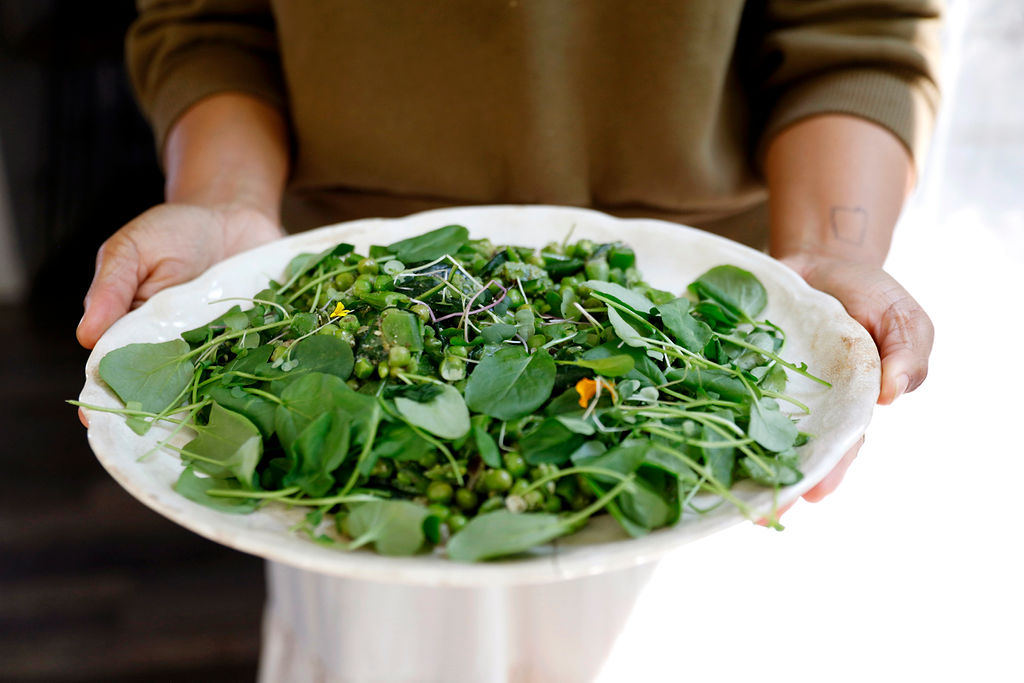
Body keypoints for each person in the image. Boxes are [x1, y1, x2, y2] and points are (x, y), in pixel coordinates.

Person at [76, 2, 939, 680]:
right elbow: (213, 24)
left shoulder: (703, 377)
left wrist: (831, 252)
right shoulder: (326, 367)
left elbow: (858, 31)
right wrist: (226, 202)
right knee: (379, 639)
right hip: (319, 351)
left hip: (679, 317)